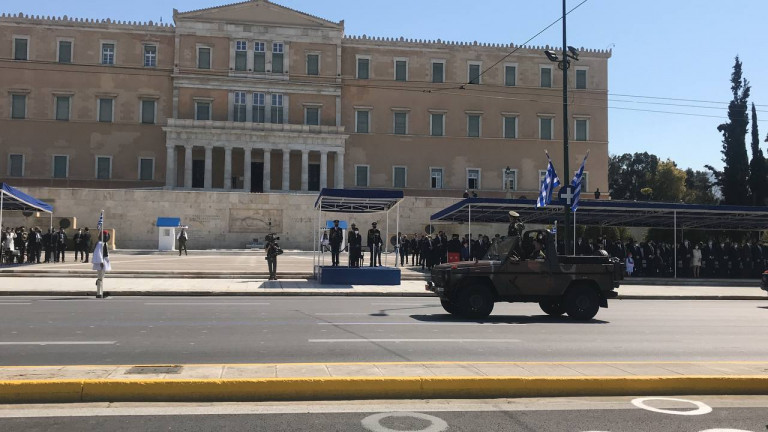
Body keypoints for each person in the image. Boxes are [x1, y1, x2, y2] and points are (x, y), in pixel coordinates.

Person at [92, 230, 111, 299]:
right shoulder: (100, 244)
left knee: (101, 278)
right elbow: (98, 253)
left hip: (104, 262)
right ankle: (99, 293)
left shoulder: (105, 244)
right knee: (100, 278)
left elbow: (106, 254)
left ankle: (100, 291)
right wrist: (101, 262)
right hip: (101, 263)